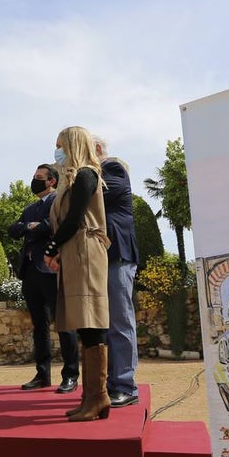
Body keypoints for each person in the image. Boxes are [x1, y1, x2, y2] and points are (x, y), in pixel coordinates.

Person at [44, 126, 111, 422]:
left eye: (61, 145)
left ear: (73, 144)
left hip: (85, 250)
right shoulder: (73, 179)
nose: (58, 150)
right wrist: (58, 250)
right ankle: (91, 397)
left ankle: (98, 397)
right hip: (75, 250)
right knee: (84, 324)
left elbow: (74, 219)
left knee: (91, 322)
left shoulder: (86, 174)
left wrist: (51, 247)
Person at [9, 164, 79, 393]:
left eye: (39, 177)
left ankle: (70, 375)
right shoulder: (30, 208)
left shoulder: (58, 202)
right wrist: (30, 226)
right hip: (29, 271)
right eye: (33, 176)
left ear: (51, 181)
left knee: (64, 323)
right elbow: (13, 229)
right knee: (39, 325)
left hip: (52, 267)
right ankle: (42, 374)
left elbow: (52, 227)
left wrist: (32, 229)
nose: (34, 180)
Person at [92, 135, 140, 409]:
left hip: (118, 256)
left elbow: (96, 193)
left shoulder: (113, 169)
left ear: (97, 149)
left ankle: (125, 385)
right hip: (100, 257)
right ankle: (110, 383)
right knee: (106, 324)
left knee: (121, 321)